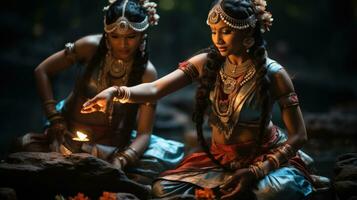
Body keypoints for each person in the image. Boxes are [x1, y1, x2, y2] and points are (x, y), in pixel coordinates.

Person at [81, 0, 321, 199]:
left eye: (226, 31)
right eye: (214, 31)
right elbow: (155, 89)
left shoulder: (273, 73)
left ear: (247, 33)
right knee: (162, 189)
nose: (218, 39)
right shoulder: (208, 62)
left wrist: (259, 170)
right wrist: (117, 92)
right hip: (219, 157)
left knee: (272, 192)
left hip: (262, 158)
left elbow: (299, 135)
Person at [17, 0, 184, 186]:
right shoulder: (89, 47)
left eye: (131, 36)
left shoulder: (147, 72)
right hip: (66, 135)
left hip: (111, 148)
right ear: (106, 33)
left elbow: (144, 133)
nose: (123, 44)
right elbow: (42, 71)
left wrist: (122, 159)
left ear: (143, 34)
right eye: (115, 36)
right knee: (26, 147)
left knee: (151, 169)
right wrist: (54, 118)